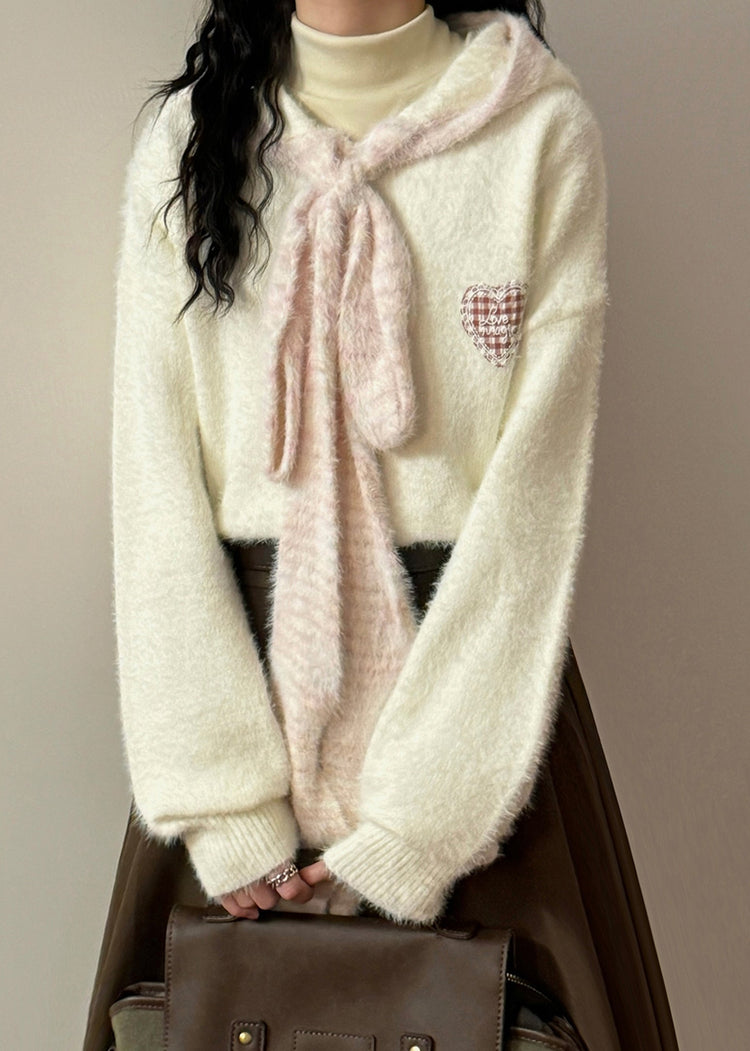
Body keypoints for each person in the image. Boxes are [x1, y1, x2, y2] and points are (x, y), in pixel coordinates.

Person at [83, 4, 680, 1050]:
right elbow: (152, 485)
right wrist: (224, 806)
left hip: (479, 716)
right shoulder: (190, 140)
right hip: (232, 700)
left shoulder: (538, 131)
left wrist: (425, 820)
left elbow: (535, 504)